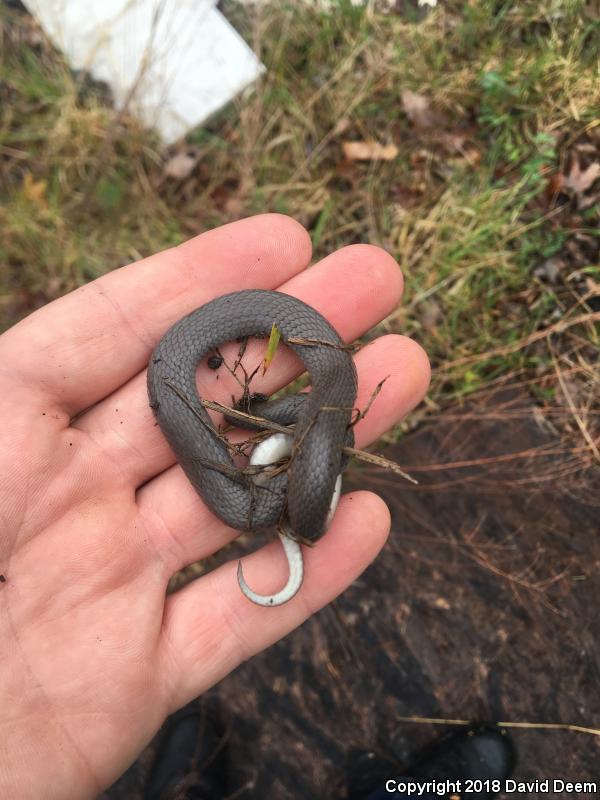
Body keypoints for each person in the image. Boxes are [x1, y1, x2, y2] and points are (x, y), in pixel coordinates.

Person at [0, 214, 432, 798]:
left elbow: (311, 434)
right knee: (262, 493)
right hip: (257, 431)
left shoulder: (323, 393)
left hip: (277, 439)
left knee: (272, 486)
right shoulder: (259, 438)